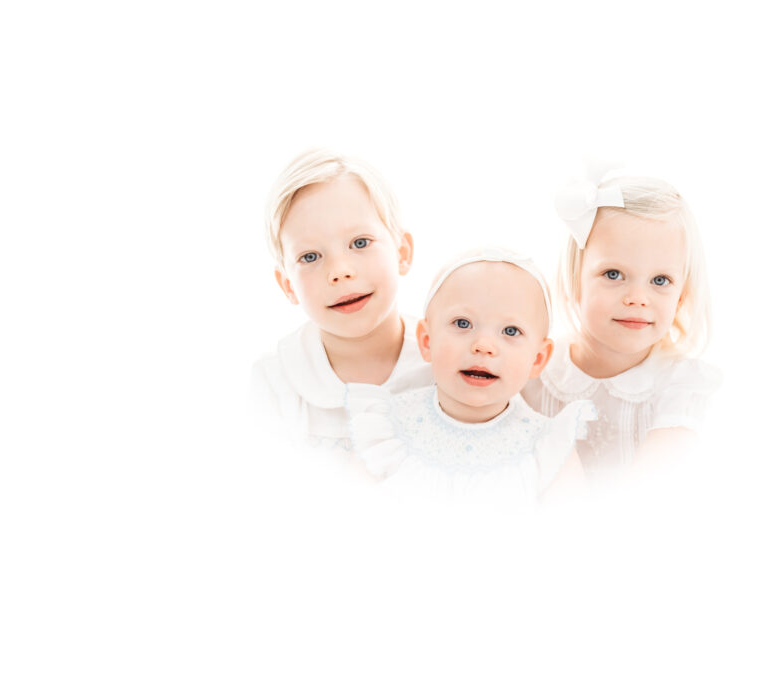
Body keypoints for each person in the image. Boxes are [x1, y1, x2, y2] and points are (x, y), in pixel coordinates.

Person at [346, 248, 596, 502]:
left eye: (510, 331)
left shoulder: (548, 447)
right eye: (463, 324)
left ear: (538, 359)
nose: (483, 345)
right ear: (426, 341)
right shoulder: (387, 430)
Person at [522, 163, 720, 481]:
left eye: (660, 280)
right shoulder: (533, 370)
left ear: (681, 296)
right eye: (614, 274)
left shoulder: (680, 386)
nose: (638, 298)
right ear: (575, 279)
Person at [252, 148, 433, 456]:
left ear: (402, 253)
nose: (339, 271)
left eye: (359, 243)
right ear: (287, 285)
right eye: (310, 257)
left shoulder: (448, 362)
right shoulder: (275, 385)